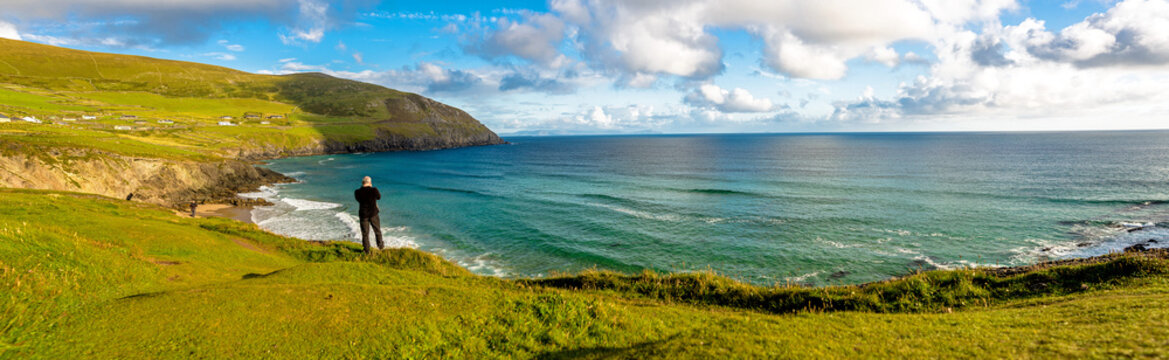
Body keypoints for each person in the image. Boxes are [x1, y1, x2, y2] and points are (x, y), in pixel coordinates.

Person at [354, 176, 384, 253]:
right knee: (377, 230)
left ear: (362, 183)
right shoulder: (374, 190)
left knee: (365, 233)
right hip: (373, 214)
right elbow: (379, 197)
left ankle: (366, 250)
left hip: (363, 215)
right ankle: (380, 247)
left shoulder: (357, 192)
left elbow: (358, 199)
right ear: (370, 183)